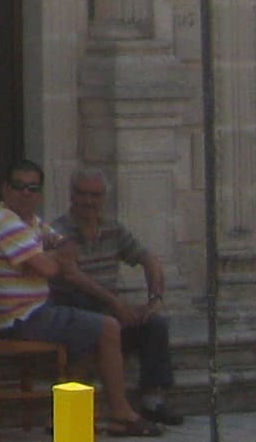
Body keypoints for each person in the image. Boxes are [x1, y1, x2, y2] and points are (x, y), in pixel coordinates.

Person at [0, 160, 156, 437]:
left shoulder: (29, 222)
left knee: (86, 324)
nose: (26, 193)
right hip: (20, 318)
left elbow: (66, 244)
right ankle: (121, 413)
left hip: (28, 312)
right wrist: (52, 258)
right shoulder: (5, 222)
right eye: (19, 186)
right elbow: (50, 268)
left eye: (33, 188)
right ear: (5, 189)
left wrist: (50, 256)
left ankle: (63, 416)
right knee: (107, 327)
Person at [50, 167, 181, 428]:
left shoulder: (113, 229)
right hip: (74, 307)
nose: (89, 201)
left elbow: (149, 260)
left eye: (95, 195)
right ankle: (106, 408)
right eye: (83, 194)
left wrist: (155, 298)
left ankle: (153, 400)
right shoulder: (57, 231)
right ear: (72, 195)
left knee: (154, 324)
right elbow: (72, 276)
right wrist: (115, 303)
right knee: (90, 312)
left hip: (108, 309)